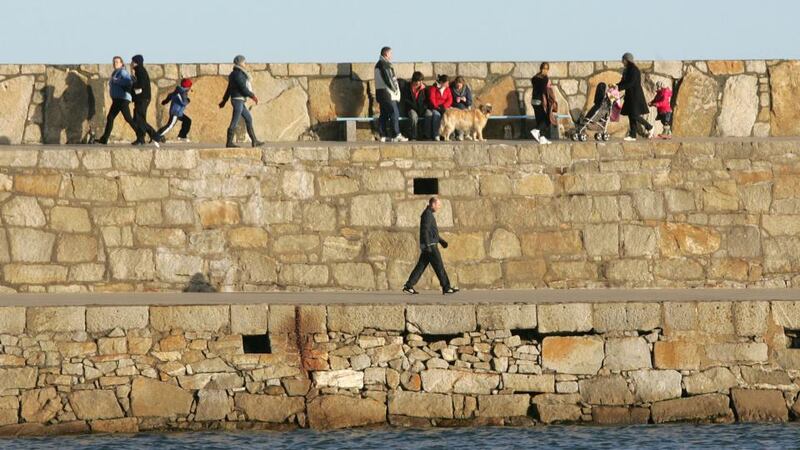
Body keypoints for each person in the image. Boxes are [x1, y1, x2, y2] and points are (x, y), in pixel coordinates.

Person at [403, 197, 459, 295]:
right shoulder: (427, 215)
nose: (439, 207)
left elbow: (432, 232)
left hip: (429, 245)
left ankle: (408, 286)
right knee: (439, 267)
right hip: (431, 247)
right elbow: (425, 231)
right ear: (433, 204)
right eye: (438, 205)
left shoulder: (428, 214)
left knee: (420, 267)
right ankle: (446, 287)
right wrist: (428, 245)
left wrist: (441, 241)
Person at [219, 55, 264, 148]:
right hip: (237, 100)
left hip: (239, 100)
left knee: (248, 118)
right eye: (244, 62)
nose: (245, 64)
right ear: (240, 63)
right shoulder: (238, 74)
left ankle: (254, 141)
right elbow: (243, 88)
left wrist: (224, 100)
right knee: (234, 121)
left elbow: (228, 89)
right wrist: (253, 96)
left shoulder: (236, 73)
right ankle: (229, 143)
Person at [96, 56, 137, 145]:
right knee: (110, 117)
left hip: (123, 99)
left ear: (122, 63)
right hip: (117, 100)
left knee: (128, 118)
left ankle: (140, 135)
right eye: (114, 62)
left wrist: (116, 81)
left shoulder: (122, 72)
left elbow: (128, 82)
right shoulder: (115, 73)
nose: (115, 63)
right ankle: (104, 139)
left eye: (117, 62)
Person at [616, 52, 653, 141]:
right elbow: (623, 82)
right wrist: (616, 86)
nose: (622, 61)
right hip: (630, 96)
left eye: (623, 60)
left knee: (634, 115)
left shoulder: (634, 70)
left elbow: (631, 83)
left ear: (626, 60)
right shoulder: (627, 70)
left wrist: (619, 88)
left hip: (635, 95)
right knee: (631, 115)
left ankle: (650, 127)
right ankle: (633, 135)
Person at [374, 46, 407, 142]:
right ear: (386, 54)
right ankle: (396, 134)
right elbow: (388, 79)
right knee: (394, 112)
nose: (391, 56)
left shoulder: (378, 64)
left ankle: (382, 135)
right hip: (387, 93)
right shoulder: (384, 64)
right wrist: (395, 90)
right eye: (390, 54)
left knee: (384, 114)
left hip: (381, 93)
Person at [130, 55, 159, 147]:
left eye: (132, 61)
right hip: (142, 98)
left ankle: (153, 136)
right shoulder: (139, 70)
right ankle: (144, 138)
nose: (131, 63)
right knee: (138, 119)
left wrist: (133, 83)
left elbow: (140, 85)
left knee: (139, 119)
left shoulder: (140, 70)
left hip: (143, 98)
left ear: (136, 62)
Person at [156, 78, 193, 142]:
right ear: (187, 87)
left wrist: (165, 101)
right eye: (189, 87)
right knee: (170, 126)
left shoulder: (179, 91)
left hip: (179, 113)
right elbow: (184, 102)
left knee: (187, 121)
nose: (190, 89)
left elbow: (170, 95)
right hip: (175, 113)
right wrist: (188, 100)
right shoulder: (182, 92)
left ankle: (182, 136)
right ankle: (157, 136)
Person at [401, 71, 430, 140]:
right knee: (413, 116)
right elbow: (407, 101)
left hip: (422, 108)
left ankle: (426, 135)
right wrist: (416, 108)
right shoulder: (407, 87)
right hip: (411, 108)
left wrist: (423, 108)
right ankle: (414, 136)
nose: (418, 83)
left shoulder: (424, 88)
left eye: (420, 81)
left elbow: (427, 101)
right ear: (413, 80)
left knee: (429, 114)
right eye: (417, 81)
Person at [530, 62, 554, 145]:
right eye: (544, 68)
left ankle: (542, 138)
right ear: (541, 69)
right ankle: (536, 130)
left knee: (540, 119)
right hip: (540, 101)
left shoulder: (534, 78)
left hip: (534, 101)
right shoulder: (545, 78)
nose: (545, 70)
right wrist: (549, 86)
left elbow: (535, 86)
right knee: (548, 119)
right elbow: (544, 90)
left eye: (547, 69)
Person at [428, 74, 453, 141]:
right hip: (435, 107)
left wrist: (444, 106)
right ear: (442, 82)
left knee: (450, 115)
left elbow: (450, 99)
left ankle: (447, 134)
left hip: (444, 107)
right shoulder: (434, 88)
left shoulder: (447, 89)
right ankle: (436, 134)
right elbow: (432, 98)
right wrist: (437, 106)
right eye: (446, 82)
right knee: (437, 115)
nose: (448, 84)